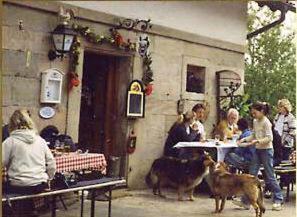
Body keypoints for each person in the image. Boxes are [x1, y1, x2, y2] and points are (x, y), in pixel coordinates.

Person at [2, 109, 56, 216]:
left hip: (19, 185)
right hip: (39, 184)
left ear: (12, 124)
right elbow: (52, 164)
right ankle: (29, 212)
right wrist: (48, 178)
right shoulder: (40, 140)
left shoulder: (10, 141)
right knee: (25, 191)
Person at [234, 102, 283, 211]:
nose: (253, 114)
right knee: (251, 175)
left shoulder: (266, 122)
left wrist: (258, 141)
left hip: (267, 151)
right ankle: (246, 202)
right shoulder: (255, 121)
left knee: (270, 175)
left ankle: (278, 199)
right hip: (257, 150)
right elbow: (254, 135)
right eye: (252, 112)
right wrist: (245, 139)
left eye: (255, 112)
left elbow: (269, 138)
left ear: (262, 111)